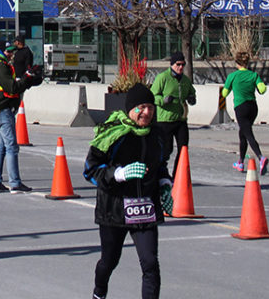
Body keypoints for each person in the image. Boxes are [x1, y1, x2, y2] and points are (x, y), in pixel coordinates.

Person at [84, 83, 172, 299]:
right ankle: (99, 292)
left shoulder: (158, 135)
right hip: (114, 209)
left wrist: (164, 186)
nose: (147, 112)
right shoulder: (112, 134)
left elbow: (161, 165)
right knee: (109, 260)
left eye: (150, 107)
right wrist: (119, 174)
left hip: (145, 209)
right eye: (141, 107)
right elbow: (90, 170)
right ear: (130, 109)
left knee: (150, 264)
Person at [0, 45, 34, 194]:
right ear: (0, 52)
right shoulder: (0, 68)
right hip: (2, 110)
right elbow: (11, 87)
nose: (11, 54)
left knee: (1, 146)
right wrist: (28, 78)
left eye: (12, 51)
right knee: (12, 146)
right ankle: (15, 183)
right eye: (8, 51)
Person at [150, 50, 196, 176]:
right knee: (166, 149)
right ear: (171, 64)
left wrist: (192, 98)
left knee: (183, 149)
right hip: (165, 120)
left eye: (183, 65)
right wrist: (163, 100)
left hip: (180, 120)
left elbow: (192, 92)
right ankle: (161, 173)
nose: (181, 67)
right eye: (178, 64)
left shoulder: (185, 80)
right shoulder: (163, 78)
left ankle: (178, 176)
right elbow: (152, 96)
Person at [222, 50, 268, 174]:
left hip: (241, 108)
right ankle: (241, 162)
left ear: (237, 63)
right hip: (253, 107)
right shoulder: (253, 75)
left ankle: (261, 157)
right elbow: (262, 90)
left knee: (248, 134)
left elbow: (224, 93)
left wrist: (232, 87)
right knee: (243, 133)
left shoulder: (233, 76)